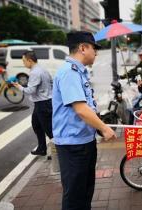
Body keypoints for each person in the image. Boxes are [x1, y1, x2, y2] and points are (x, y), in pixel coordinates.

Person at [52, 31, 117, 210]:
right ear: (82, 48)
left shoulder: (79, 72)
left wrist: (97, 124)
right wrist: (104, 128)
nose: (96, 53)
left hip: (84, 141)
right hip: (73, 145)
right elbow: (80, 110)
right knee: (74, 194)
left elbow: (87, 106)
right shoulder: (69, 72)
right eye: (94, 48)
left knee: (85, 190)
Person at [12, 51, 53, 156]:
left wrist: (19, 86)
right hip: (43, 102)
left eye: (24, 61)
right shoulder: (42, 69)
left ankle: (60, 152)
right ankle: (42, 148)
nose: (23, 63)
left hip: (43, 104)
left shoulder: (35, 72)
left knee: (49, 129)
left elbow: (30, 91)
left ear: (30, 60)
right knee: (36, 125)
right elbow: (51, 83)